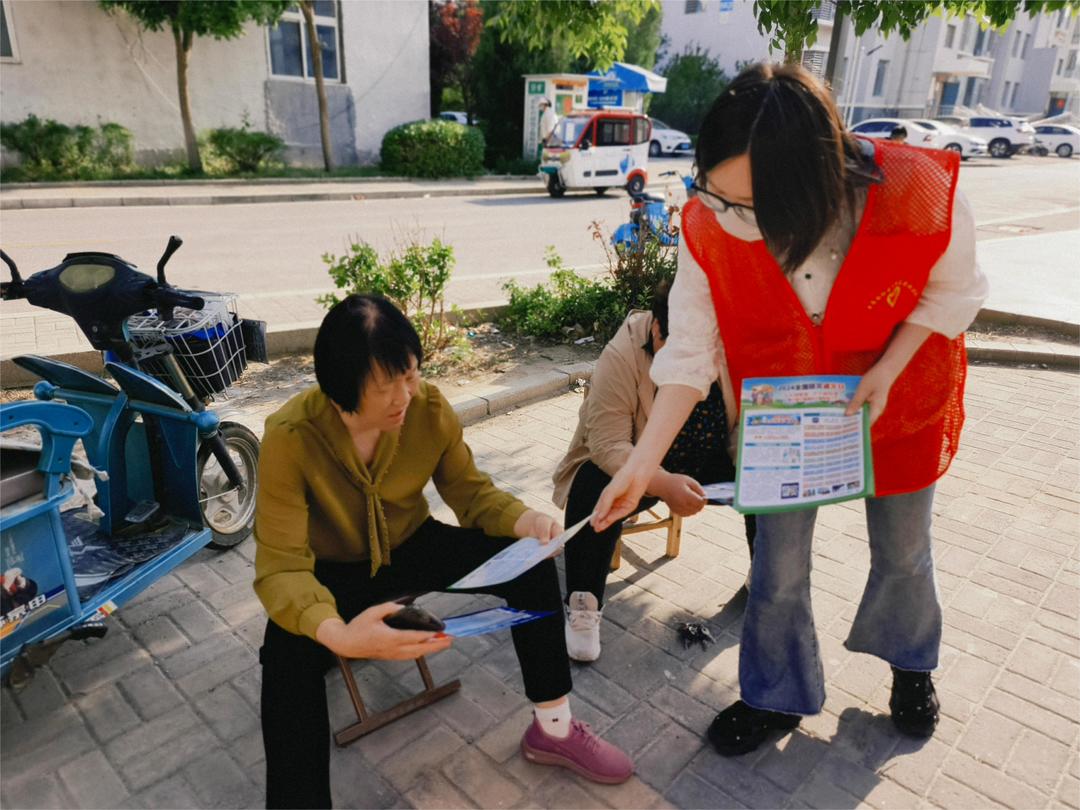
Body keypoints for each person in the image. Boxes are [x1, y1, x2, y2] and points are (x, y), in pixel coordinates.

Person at [591, 63, 988, 756]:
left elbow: (952, 292)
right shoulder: (710, 222)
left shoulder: (918, 190)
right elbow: (691, 352)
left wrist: (888, 368)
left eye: (748, 206)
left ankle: (910, 665)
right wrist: (640, 466)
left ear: (815, 182)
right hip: (788, 410)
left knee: (904, 551)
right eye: (712, 191)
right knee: (777, 566)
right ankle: (775, 694)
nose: (725, 218)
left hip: (896, 396)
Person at [254, 295, 633, 808]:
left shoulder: (428, 408)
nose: (404, 396)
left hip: (413, 543)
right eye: (385, 387)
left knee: (531, 564)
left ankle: (554, 728)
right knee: (285, 659)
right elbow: (281, 565)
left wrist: (525, 521)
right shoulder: (290, 437)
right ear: (341, 391)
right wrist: (338, 633)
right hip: (329, 571)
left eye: (410, 375)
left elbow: (470, 492)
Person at [552, 281, 755, 661]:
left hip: (706, 458)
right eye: (680, 349)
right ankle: (583, 601)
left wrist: (753, 459)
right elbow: (608, 444)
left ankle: (767, 572)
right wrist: (662, 483)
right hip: (638, 464)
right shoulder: (623, 352)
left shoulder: (729, 343)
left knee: (770, 477)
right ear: (658, 328)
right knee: (592, 486)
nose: (691, 363)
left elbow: (742, 424)